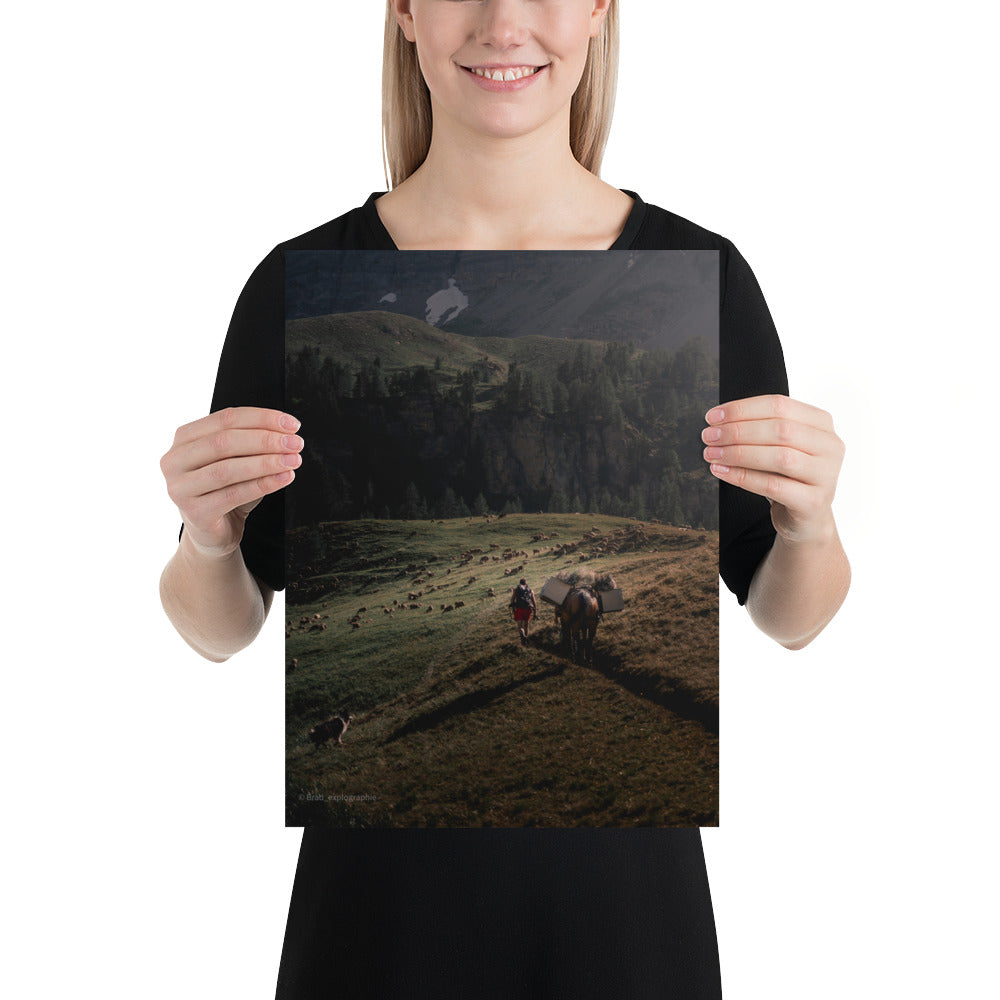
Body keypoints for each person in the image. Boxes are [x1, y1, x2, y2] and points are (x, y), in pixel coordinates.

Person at [159, 2, 850, 997]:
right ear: (402, 11)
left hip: (624, 936)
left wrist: (809, 524)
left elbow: (791, 615)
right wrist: (208, 540)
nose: (502, 20)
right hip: (375, 936)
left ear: (601, 10)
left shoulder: (703, 281)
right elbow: (218, 630)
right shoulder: (293, 287)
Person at [510, 577, 538, 643]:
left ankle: (522, 635)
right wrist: (535, 613)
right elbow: (534, 602)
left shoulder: (516, 590)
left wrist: (514, 610)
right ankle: (525, 640)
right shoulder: (530, 590)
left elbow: (512, 600)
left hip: (519, 609)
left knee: (520, 626)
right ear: (526, 583)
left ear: (519, 583)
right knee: (526, 625)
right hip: (527, 609)